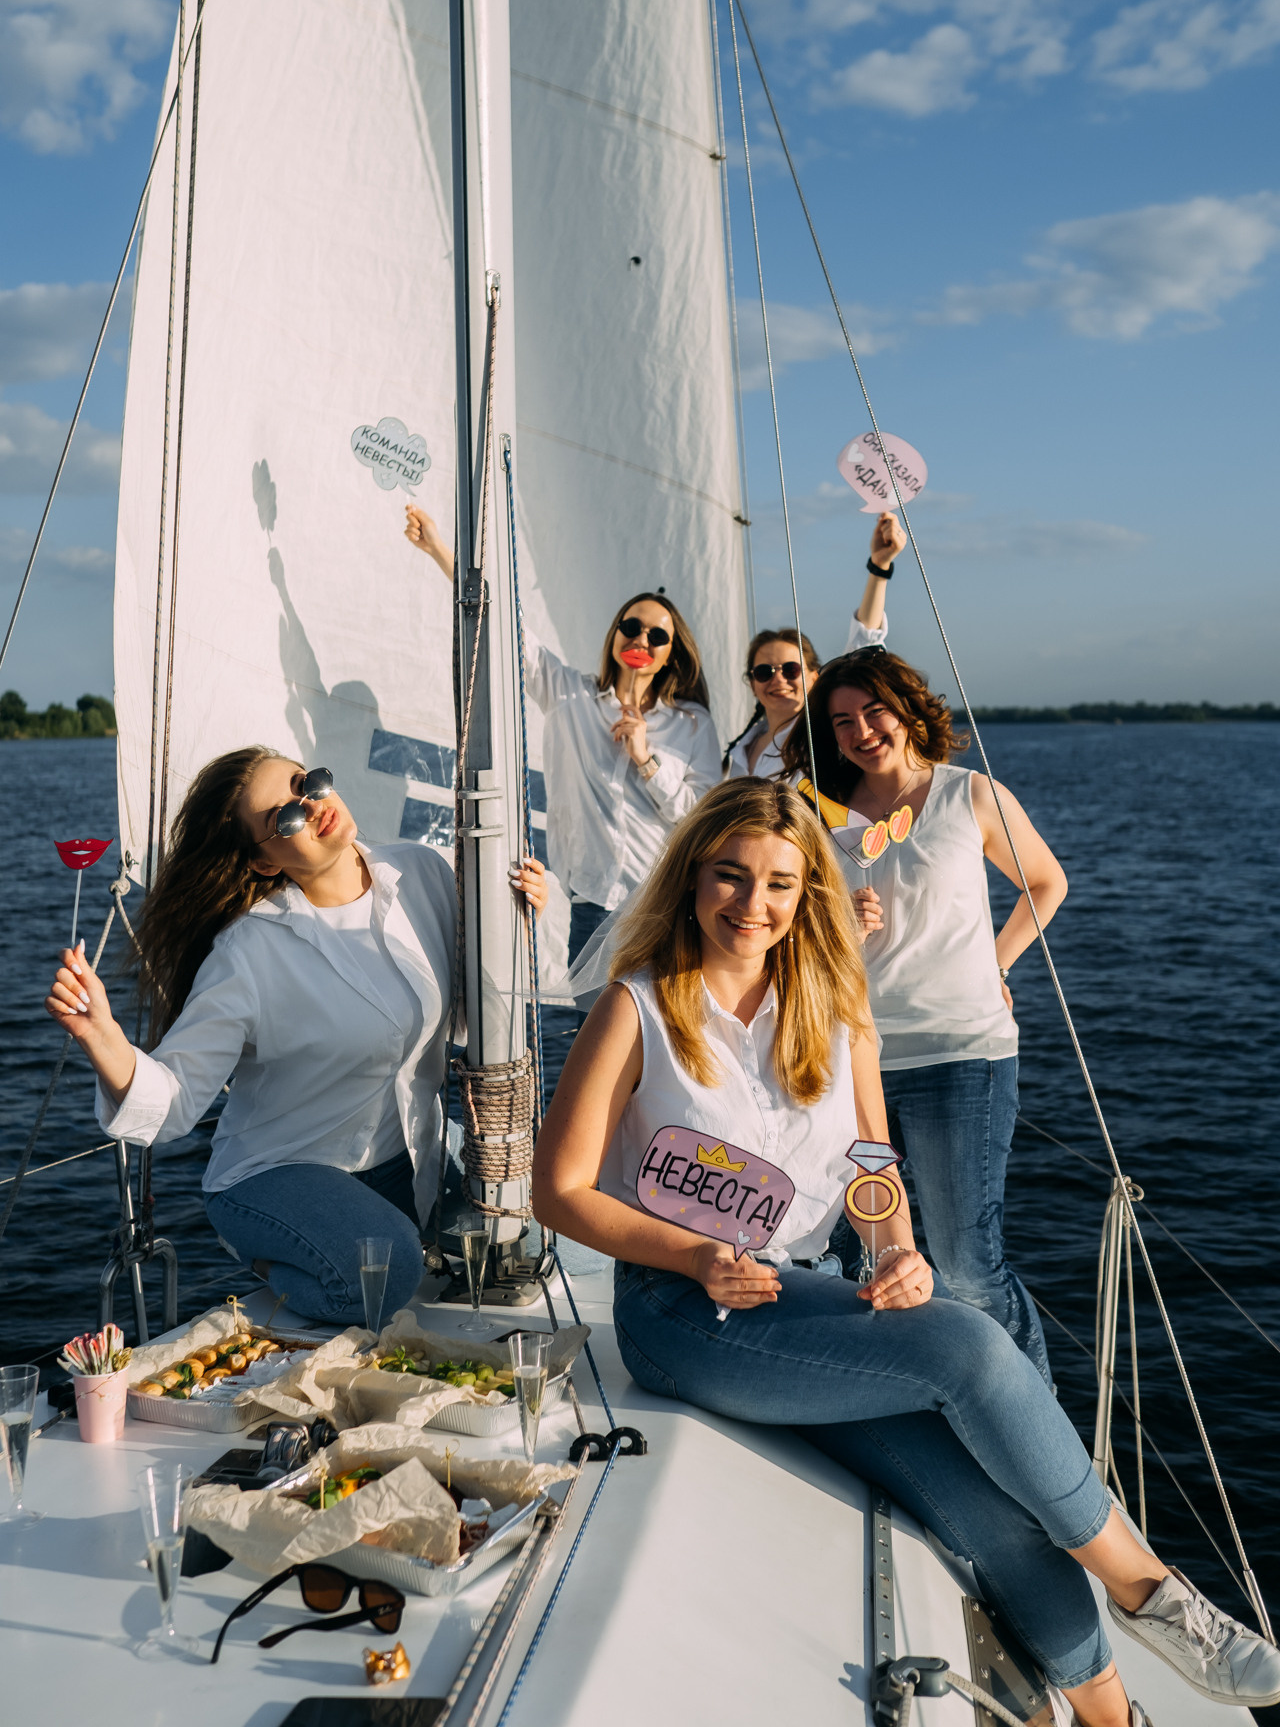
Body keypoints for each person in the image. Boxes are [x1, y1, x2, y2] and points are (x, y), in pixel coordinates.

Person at [531, 779, 1280, 1726]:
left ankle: (1109, 1716)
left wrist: (898, 1250)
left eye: (778, 886)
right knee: (968, 1349)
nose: (750, 906)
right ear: (691, 880)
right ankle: (1152, 1593)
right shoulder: (637, 1007)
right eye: (729, 877)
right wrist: (692, 1258)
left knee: (989, 1508)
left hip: (809, 1298)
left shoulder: (834, 1005)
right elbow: (557, 1192)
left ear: (807, 897)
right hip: (686, 1312)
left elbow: (870, 1160)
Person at [44, 747, 547, 1325]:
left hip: (406, 1157)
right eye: (283, 819)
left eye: (306, 783)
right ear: (263, 863)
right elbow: (178, 1101)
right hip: (280, 1172)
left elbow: (465, 1014)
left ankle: (372, 1233)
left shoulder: (422, 872)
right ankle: (267, 1266)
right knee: (387, 1280)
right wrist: (101, 1034)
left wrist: (518, 918)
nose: (310, 807)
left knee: (525, 1224)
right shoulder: (249, 952)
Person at [782, 648, 1063, 1384]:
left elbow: (1044, 882)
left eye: (873, 711)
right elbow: (781, 922)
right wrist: (838, 918)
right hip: (851, 1062)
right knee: (853, 1260)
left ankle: (1033, 1418)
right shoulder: (819, 812)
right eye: (841, 721)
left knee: (966, 1266)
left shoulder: (969, 795)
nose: (860, 731)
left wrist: (997, 964)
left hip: (959, 1056)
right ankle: (886, 1396)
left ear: (907, 709)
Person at [405, 502, 721, 974]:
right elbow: (506, 627)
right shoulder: (569, 694)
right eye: (630, 627)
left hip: (667, 903)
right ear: (615, 636)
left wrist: (646, 761)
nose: (641, 640)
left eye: (657, 636)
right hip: (593, 905)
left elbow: (701, 818)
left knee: (666, 1039)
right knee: (596, 1031)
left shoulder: (692, 723)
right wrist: (438, 550)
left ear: (671, 656)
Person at [723, 512, 905, 779]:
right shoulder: (741, 746)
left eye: (791, 669)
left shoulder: (823, 734)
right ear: (752, 683)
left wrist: (879, 568)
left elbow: (864, 646)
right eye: (764, 672)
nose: (778, 679)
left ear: (813, 677)